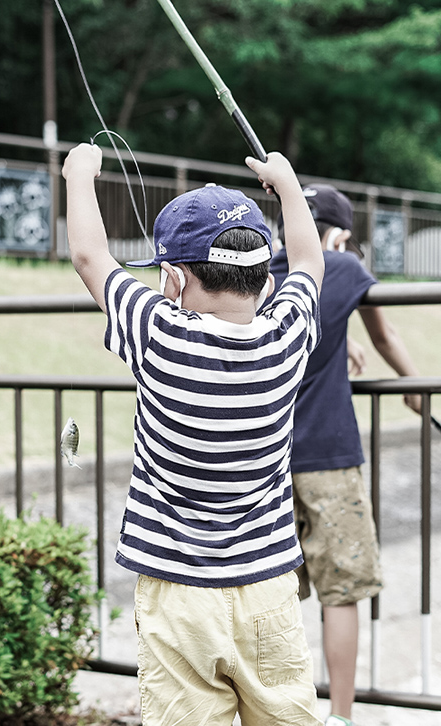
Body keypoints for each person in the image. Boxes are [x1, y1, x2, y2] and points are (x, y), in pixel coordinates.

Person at [62, 142, 325, 725]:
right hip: (269, 589)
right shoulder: (284, 339)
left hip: (176, 593)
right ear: (263, 275)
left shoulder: (158, 336)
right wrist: (285, 185)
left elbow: (89, 256)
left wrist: (80, 173)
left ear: (174, 279)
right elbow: (309, 264)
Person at [268, 183, 421, 726]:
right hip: (329, 455)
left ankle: (277, 709)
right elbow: (385, 335)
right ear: (340, 234)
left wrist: (340, 341)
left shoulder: (261, 276)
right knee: (342, 588)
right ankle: (339, 716)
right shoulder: (344, 270)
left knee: (271, 593)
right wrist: (415, 382)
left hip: (267, 463)